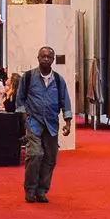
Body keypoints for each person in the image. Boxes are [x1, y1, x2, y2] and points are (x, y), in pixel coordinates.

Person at [13, 46, 71, 204]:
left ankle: (42, 190)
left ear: (53, 60)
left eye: (49, 57)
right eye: (43, 56)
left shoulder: (58, 80)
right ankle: (30, 189)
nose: (46, 59)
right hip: (34, 122)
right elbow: (20, 99)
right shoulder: (29, 77)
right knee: (35, 154)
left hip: (52, 124)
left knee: (50, 159)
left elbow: (65, 101)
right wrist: (25, 117)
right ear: (38, 58)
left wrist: (67, 121)